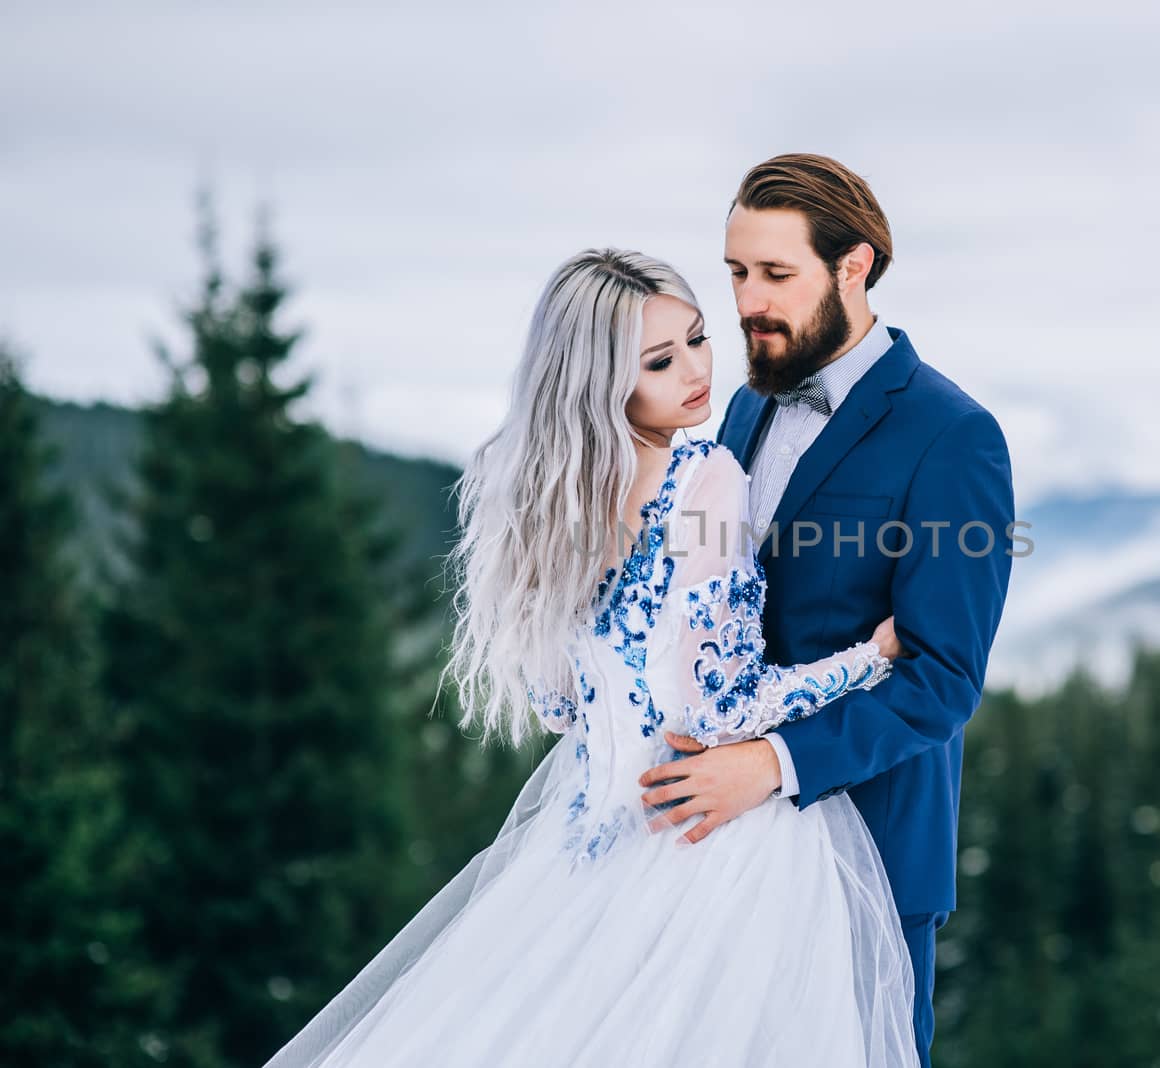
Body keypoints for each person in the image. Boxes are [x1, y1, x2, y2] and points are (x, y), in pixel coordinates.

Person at [263, 249, 919, 1067]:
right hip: (710, 835)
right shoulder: (705, 477)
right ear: (599, 381)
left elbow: (561, 705)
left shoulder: (544, 498)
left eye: (697, 339)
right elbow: (721, 705)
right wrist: (866, 658)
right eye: (658, 360)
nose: (695, 370)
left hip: (584, 843)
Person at [637, 154, 1016, 1068]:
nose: (749, 302)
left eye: (777, 275)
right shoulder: (739, 409)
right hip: (709, 850)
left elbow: (942, 678)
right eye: (736, 272)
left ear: (856, 266)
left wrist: (770, 764)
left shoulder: (954, 437)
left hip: (868, 861)